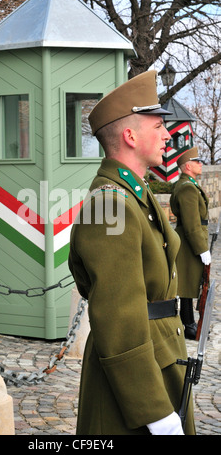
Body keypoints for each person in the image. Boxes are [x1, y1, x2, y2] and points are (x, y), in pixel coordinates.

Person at [68, 70, 195, 435]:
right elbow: (118, 316)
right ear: (129, 135)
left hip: (160, 358)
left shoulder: (132, 195)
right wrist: (152, 409)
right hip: (135, 383)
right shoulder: (111, 203)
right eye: (158, 127)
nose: (168, 135)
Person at [170, 148, 210, 340]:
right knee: (186, 285)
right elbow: (192, 223)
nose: (200, 164)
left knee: (188, 284)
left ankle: (189, 324)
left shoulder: (188, 184)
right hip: (188, 243)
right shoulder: (187, 187)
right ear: (187, 166)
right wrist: (202, 249)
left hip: (190, 240)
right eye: (197, 161)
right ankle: (189, 325)